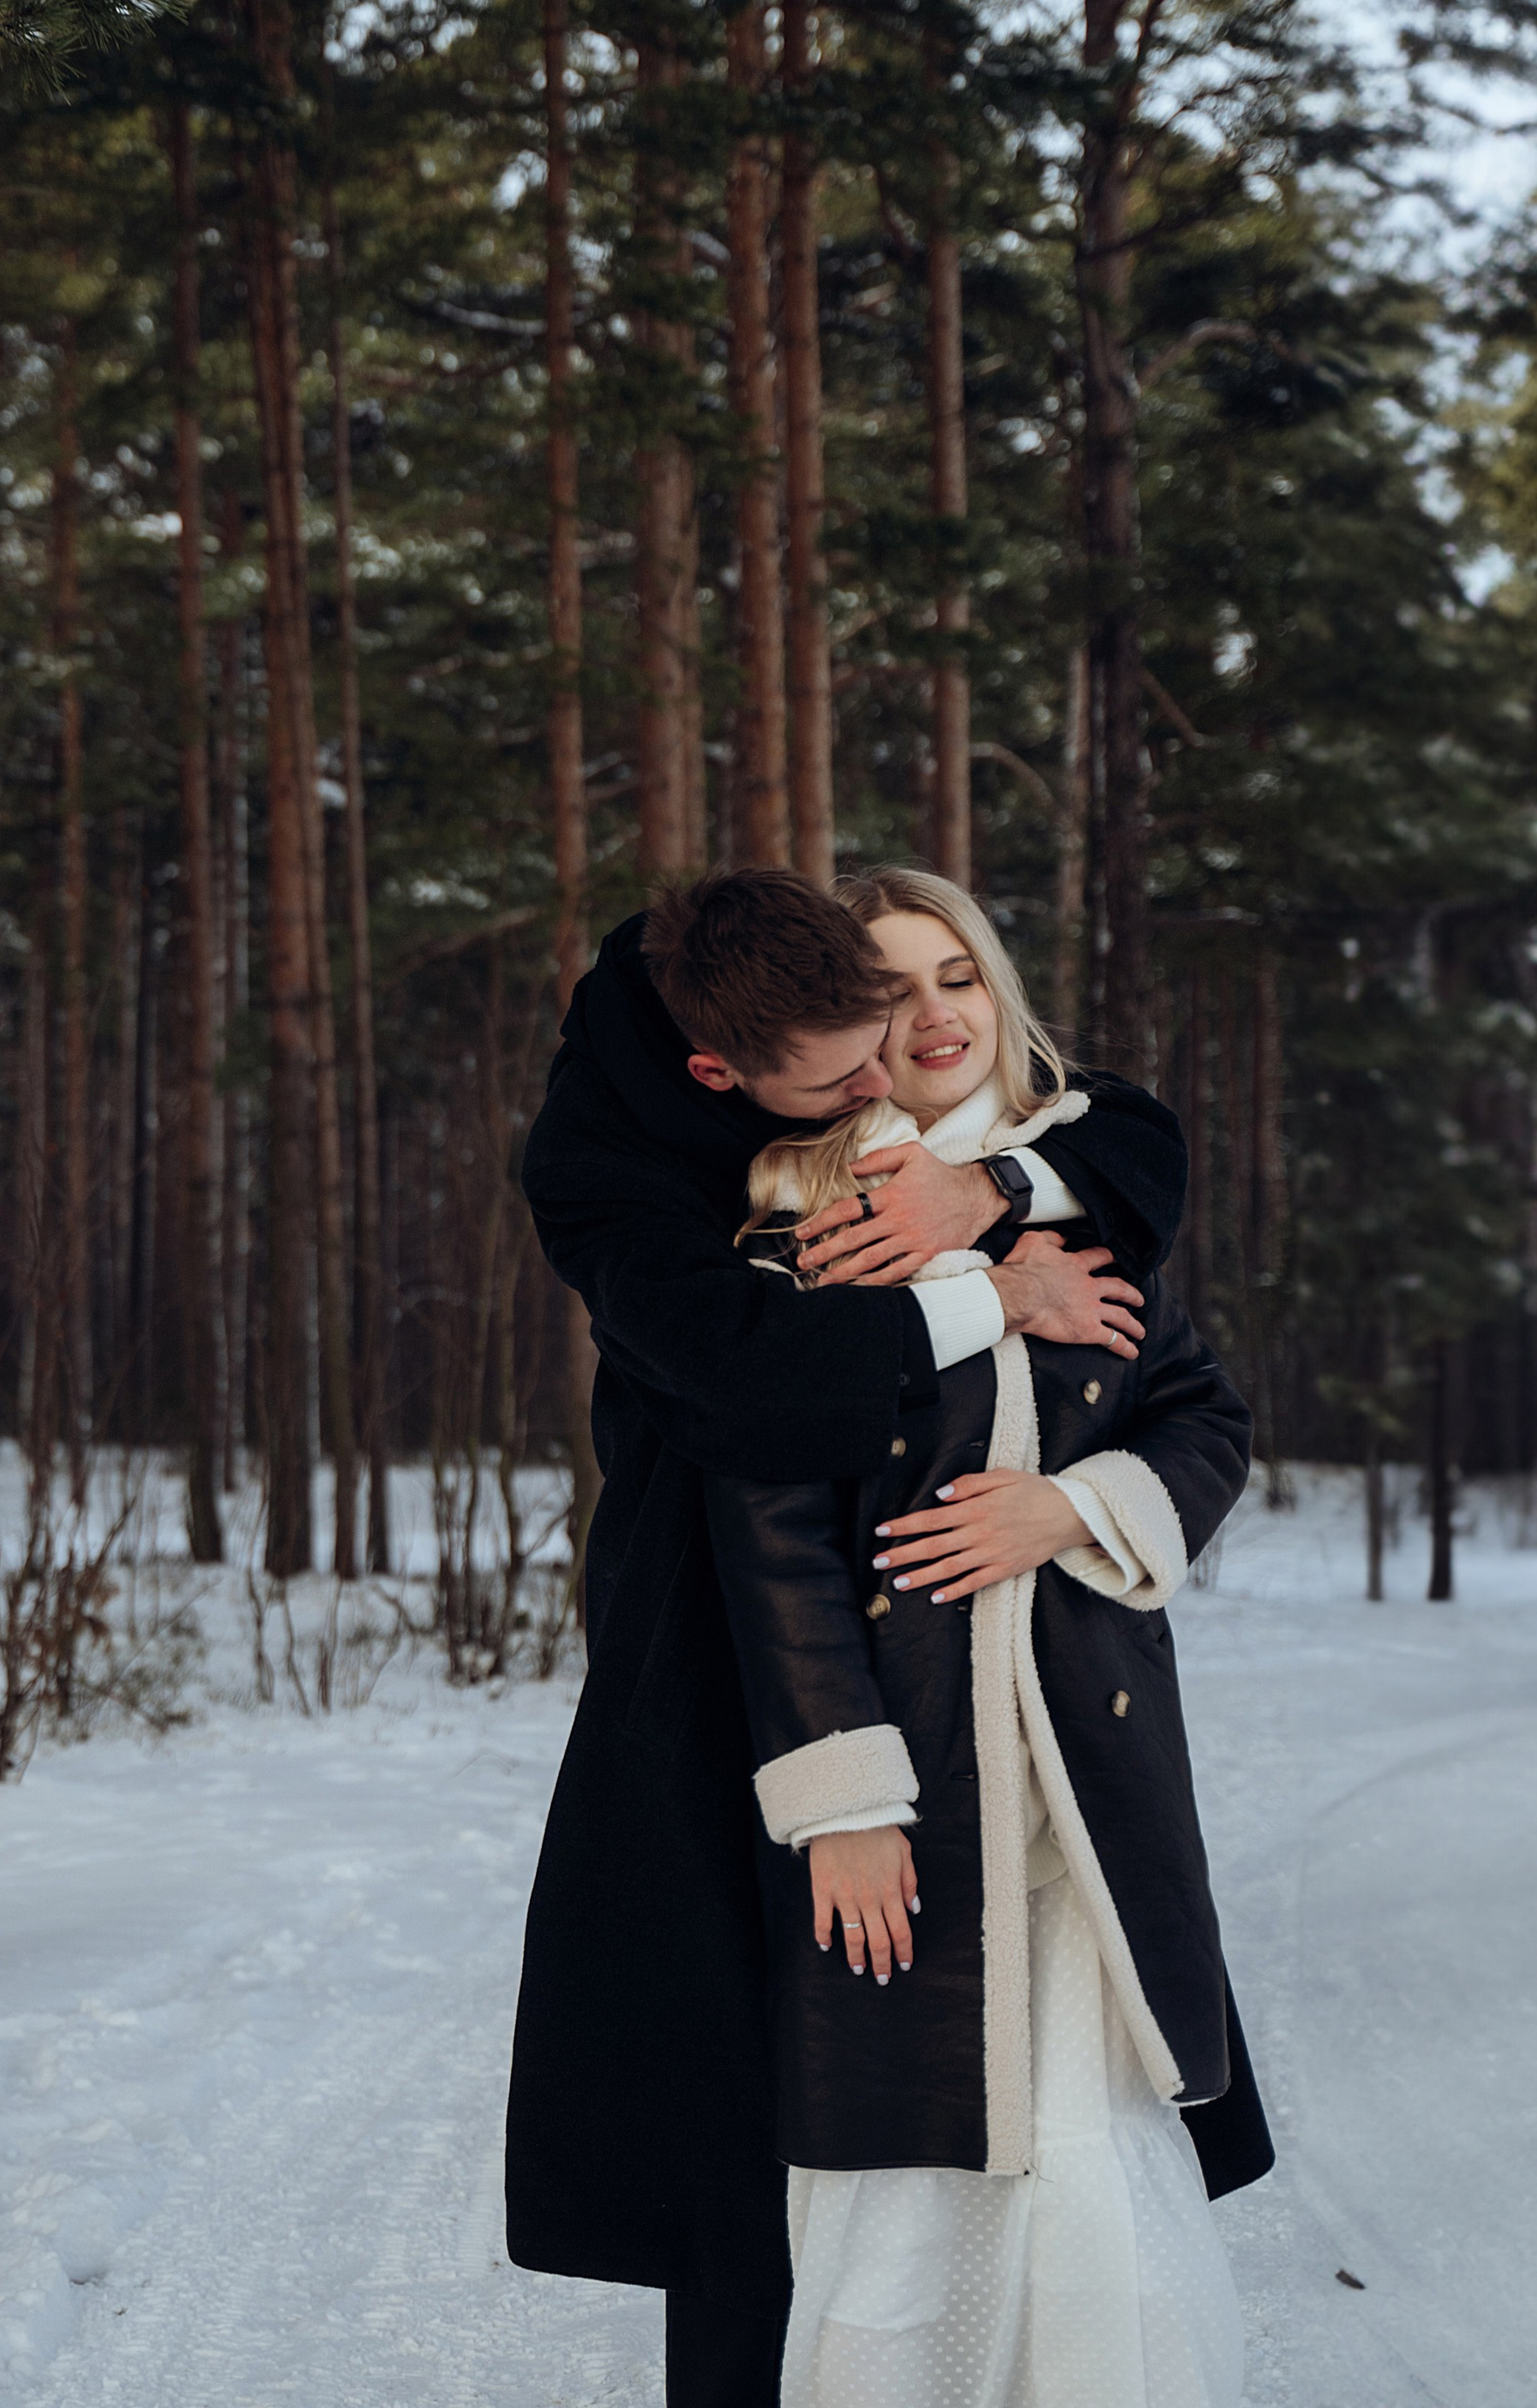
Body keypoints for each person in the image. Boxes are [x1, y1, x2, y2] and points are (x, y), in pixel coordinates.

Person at [504, 867, 1269, 2408]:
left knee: (1074, 2132)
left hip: (1062, 1769)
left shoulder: (1067, 1166)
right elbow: (757, 1442)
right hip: (764, 1703)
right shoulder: (706, 1190)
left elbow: (1184, 1376)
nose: (914, 1030)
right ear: (728, 1075)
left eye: (952, 983)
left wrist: (1074, 1507)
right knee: (787, 2147)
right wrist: (993, 1286)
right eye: (881, 1004)